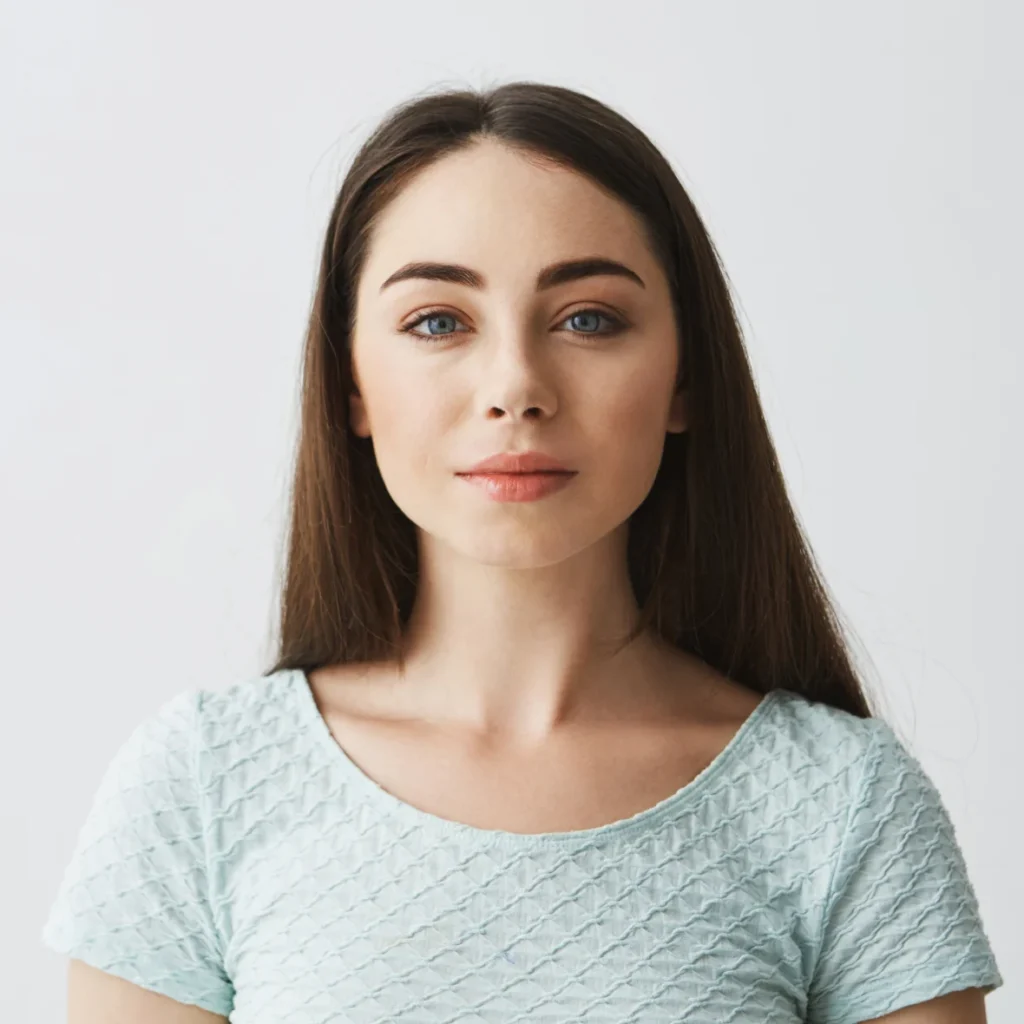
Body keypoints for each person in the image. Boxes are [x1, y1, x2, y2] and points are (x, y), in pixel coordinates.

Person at [41, 80, 1003, 1023]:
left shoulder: (841, 806)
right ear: (352, 388)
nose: (515, 387)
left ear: (685, 379)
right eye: (437, 322)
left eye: (588, 319)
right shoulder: (203, 787)